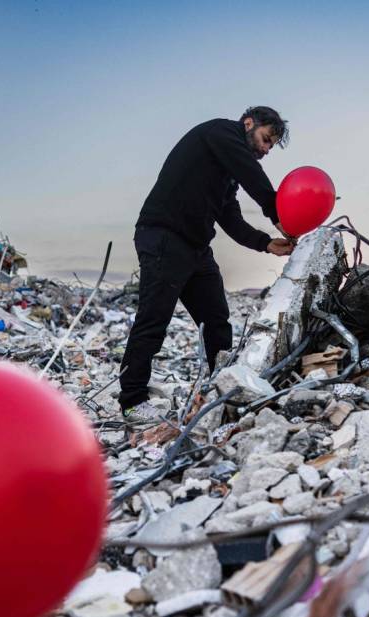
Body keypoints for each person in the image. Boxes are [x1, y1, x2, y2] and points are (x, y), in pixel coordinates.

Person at [118, 106, 295, 423]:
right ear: (248, 123)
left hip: (196, 249)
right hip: (164, 238)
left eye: (271, 145)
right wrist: (275, 210)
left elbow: (231, 218)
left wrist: (266, 243)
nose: (266, 150)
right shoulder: (219, 133)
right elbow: (248, 170)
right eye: (266, 139)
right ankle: (132, 402)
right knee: (153, 320)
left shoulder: (226, 176)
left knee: (217, 321)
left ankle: (222, 392)